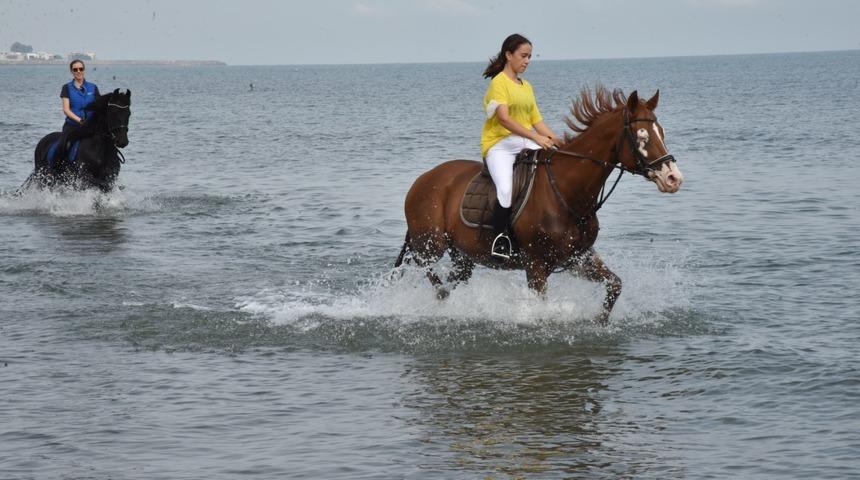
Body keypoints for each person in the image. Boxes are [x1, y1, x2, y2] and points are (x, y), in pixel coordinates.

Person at [481, 33, 558, 258]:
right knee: (505, 189)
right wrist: (535, 138)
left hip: (524, 140)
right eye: (523, 56)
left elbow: (537, 121)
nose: (527, 61)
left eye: (530, 57)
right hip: (500, 145)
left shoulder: (526, 86)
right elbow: (504, 119)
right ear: (508, 55)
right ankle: (500, 239)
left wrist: (557, 140)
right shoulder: (499, 83)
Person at [58, 59, 100, 160]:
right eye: (75, 69)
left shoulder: (93, 87)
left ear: (84, 70)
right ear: (72, 72)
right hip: (73, 126)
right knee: (63, 145)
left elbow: (99, 107)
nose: (78, 71)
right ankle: (60, 167)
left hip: (91, 126)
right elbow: (66, 110)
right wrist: (81, 121)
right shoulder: (66, 88)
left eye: (81, 69)